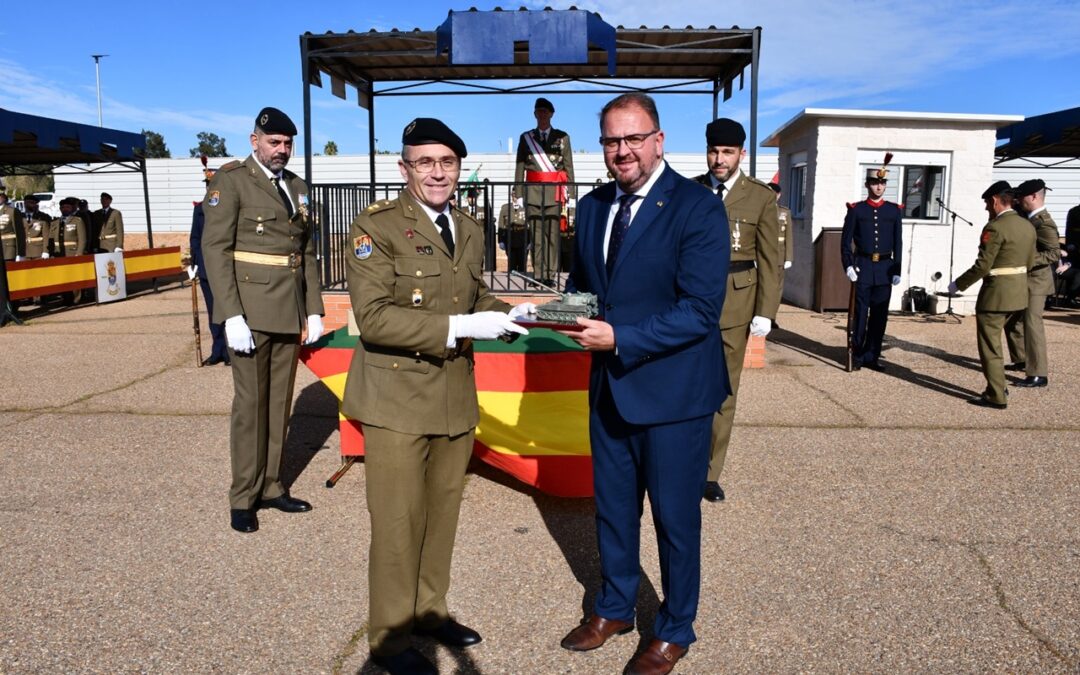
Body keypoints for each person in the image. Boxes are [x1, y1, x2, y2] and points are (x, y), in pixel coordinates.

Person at [342, 117, 532, 675]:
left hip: (452, 398)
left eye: (446, 162)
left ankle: (429, 610)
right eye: (424, 162)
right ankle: (391, 639)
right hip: (396, 400)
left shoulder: (470, 229)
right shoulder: (374, 226)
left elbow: (473, 295)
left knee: (442, 514)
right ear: (404, 169)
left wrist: (511, 314)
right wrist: (460, 327)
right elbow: (374, 319)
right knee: (399, 522)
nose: (436, 172)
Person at [558, 93, 729, 675]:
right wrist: (545, 317)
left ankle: (675, 628)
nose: (622, 151)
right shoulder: (592, 206)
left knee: (675, 520)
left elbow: (700, 311)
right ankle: (614, 607)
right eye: (611, 140)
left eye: (633, 138)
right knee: (612, 510)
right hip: (610, 388)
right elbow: (585, 288)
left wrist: (620, 338)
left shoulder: (697, 207)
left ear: (658, 140)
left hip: (674, 396)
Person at [201, 106, 324, 534]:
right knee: (250, 408)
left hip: (288, 311)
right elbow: (214, 250)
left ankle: (271, 485)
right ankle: (243, 496)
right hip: (249, 313)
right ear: (255, 141)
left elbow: (304, 252)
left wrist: (313, 307)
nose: (282, 150)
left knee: (278, 406)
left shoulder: (298, 187)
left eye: (288, 144)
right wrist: (229, 315)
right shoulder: (232, 181)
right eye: (274, 142)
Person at [693, 118, 781, 503]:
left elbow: (770, 260)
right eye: (714, 150)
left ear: (741, 154)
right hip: (692, 301)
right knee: (686, 386)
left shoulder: (759, 197)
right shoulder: (691, 190)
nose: (719, 159)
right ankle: (681, 463)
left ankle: (710, 473)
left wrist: (767, 310)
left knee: (724, 391)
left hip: (736, 301)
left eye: (727, 152)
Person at [949, 181, 1035, 409]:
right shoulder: (1027, 225)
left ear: (996, 201)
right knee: (1001, 341)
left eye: (988, 203)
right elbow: (1029, 261)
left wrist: (958, 284)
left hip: (996, 296)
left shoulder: (995, 228)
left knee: (991, 347)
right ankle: (997, 385)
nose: (987, 208)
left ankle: (996, 394)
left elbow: (982, 266)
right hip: (1019, 294)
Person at [841, 161, 903, 371]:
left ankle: (872, 355)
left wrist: (897, 269)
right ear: (867, 185)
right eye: (875, 183)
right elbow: (845, 241)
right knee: (860, 314)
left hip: (884, 268)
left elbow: (898, 242)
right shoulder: (856, 210)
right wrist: (848, 265)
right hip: (864, 267)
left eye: (882, 183)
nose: (879, 187)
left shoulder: (893, 211)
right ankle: (856, 354)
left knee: (879, 315)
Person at [1004, 179, 1059, 387]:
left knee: (1032, 324)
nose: (1018, 199)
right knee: (1012, 320)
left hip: (1037, 282)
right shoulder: (1027, 217)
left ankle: (1038, 374)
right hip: (1024, 279)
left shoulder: (1044, 223)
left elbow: (1053, 253)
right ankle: (1021, 359)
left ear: (1034, 196)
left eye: (1022, 196)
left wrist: (1026, 261)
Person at [515, 97, 574, 285]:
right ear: (535, 114)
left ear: (551, 114)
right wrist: (518, 193)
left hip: (554, 193)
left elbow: (568, 166)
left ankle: (550, 275)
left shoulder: (562, 137)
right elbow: (520, 167)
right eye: (539, 112)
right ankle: (539, 275)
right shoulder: (526, 138)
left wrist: (570, 193)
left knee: (552, 236)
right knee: (537, 236)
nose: (542, 115)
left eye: (545, 112)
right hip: (532, 193)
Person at [189, 166, 229, 367]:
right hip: (205, 268)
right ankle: (218, 350)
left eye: (212, 185)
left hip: (224, 269)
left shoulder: (227, 207)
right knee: (213, 311)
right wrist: (194, 263)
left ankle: (232, 351)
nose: (210, 188)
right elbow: (195, 238)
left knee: (228, 309)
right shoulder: (199, 209)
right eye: (207, 185)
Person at [770, 181, 795, 300]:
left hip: (779, 255)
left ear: (779, 195)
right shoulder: (758, 211)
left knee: (777, 286)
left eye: (774, 193)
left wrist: (788, 258)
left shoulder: (784, 212)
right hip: (763, 254)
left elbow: (788, 235)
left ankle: (772, 314)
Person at [497, 192, 528, 273]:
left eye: (517, 195)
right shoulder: (505, 208)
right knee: (511, 265)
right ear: (511, 196)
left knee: (522, 265)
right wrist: (500, 240)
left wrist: (530, 241)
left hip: (523, 239)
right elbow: (501, 224)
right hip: (510, 239)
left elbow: (530, 225)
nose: (515, 197)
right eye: (514, 195)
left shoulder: (526, 207)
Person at [21, 195, 51, 260]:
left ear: (35, 204)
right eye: (26, 203)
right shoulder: (20, 216)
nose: (28, 205)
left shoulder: (43, 217)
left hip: (38, 251)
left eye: (31, 203)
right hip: (24, 251)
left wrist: (46, 251)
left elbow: (46, 236)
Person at [0, 191, 26, 262]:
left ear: (4, 198)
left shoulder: (12, 211)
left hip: (7, 249)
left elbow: (19, 233)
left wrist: (20, 253)